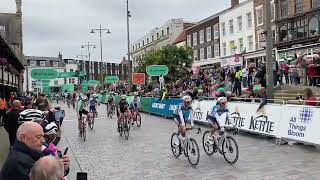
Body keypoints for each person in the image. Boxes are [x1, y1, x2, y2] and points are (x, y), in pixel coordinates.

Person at [0, 121, 69, 180]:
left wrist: (61, 168)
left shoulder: (26, 154)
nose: (43, 140)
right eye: (38, 137)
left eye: (43, 136)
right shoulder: (21, 163)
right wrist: (60, 170)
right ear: (24, 138)